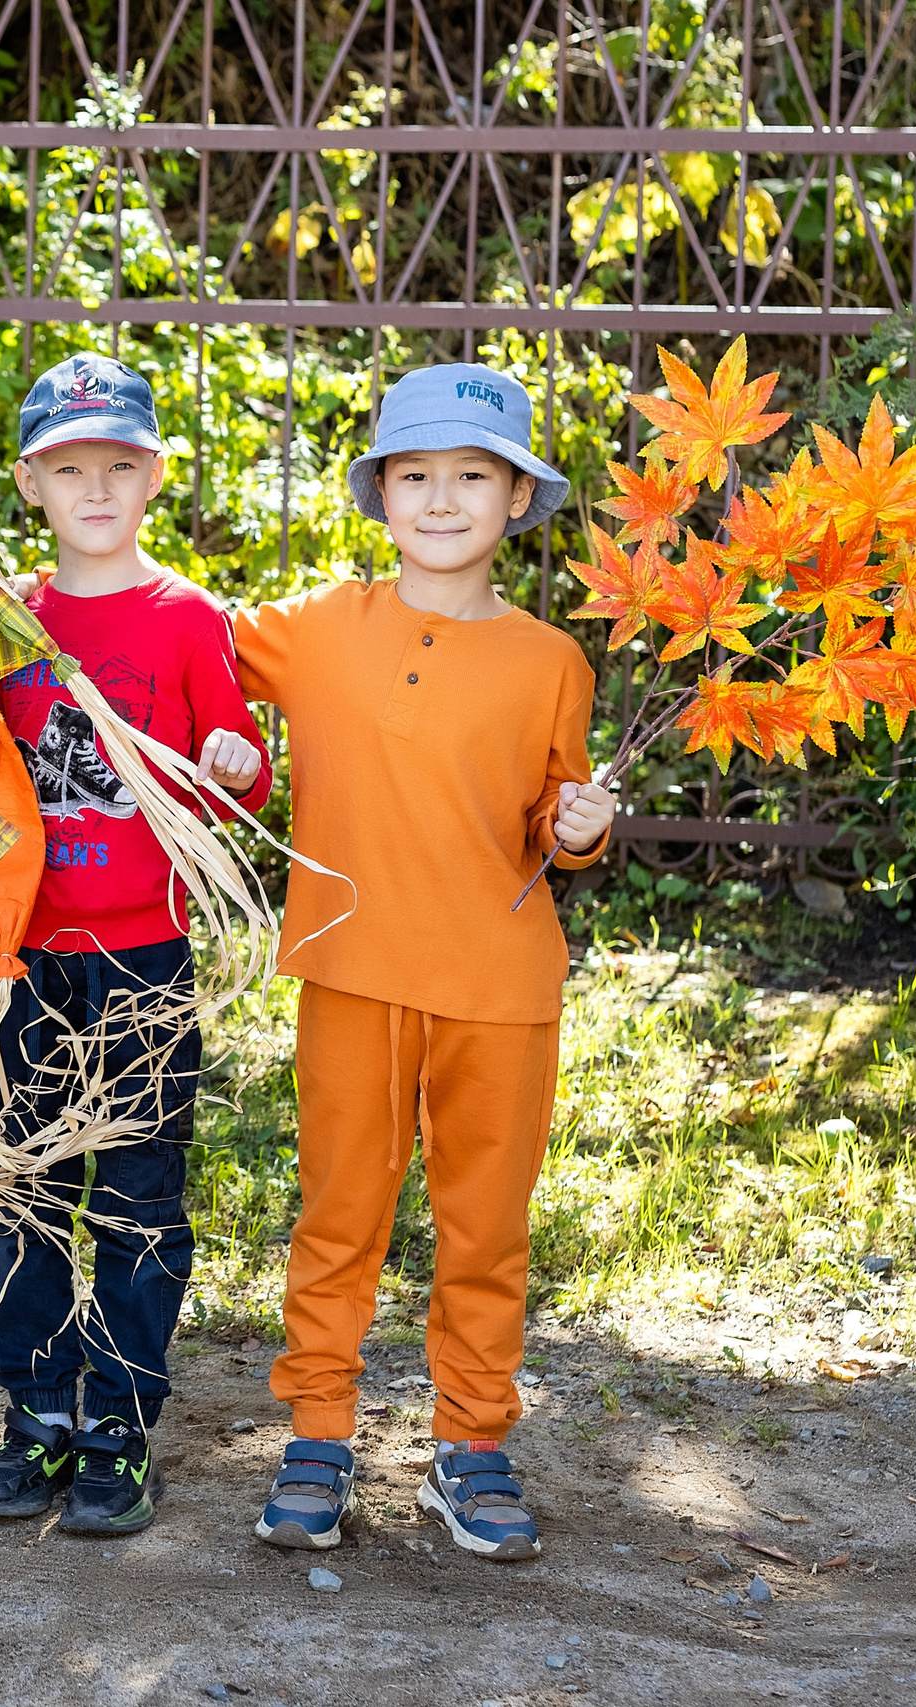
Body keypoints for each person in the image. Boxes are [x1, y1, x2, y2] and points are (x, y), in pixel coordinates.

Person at [229, 363, 615, 1560]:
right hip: (352, 972)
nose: (440, 499)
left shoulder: (553, 659)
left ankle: (471, 1444)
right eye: (415, 475)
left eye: (470, 476)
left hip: (499, 986)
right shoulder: (310, 632)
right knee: (340, 1213)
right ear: (380, 495)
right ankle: (318, 1435)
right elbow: (188, 667)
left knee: (485, 1224)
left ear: (514, 501)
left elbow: (551, 822)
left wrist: (582, 831)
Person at [0, 353, 273, 1535]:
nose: (95, 487)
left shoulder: (186, 619)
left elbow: (230, 773)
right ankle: (35, 1416)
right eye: (69, 468)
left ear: (154, 476)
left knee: (137, 1196)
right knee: (25, 1189)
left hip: (141, 960)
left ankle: (121, 1426)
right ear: (31, 482)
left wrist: (240, 764)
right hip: (19, 960)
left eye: (117, 466)